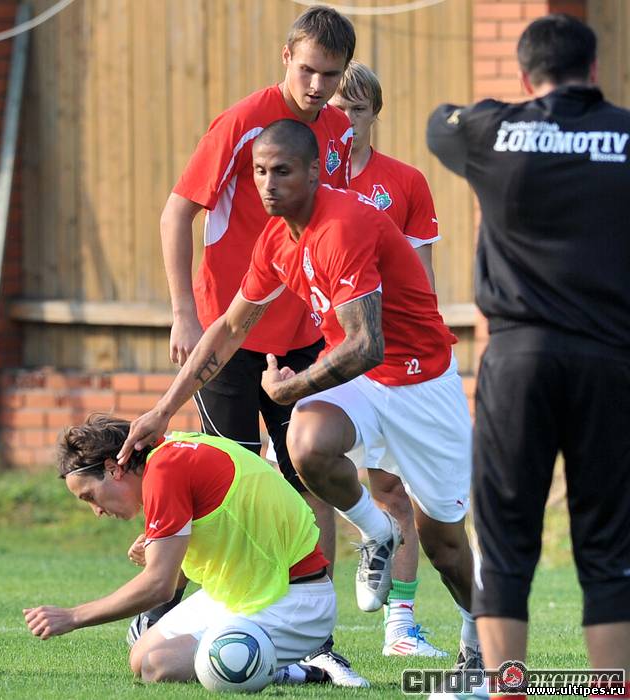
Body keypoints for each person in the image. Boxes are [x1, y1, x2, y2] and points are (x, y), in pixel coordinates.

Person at [117, 118, 481, 670]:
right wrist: (163, 410)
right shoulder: (276, 238)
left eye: (282, 171)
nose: (268, 184)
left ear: (314, 171)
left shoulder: (343, 227)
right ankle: (377, 532)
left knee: (445, 547)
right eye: (260, 171)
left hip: (421, 386)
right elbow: (230, 327)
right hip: (365, 383)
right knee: (305, 445)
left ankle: (479, 639)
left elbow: (366, 344)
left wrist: (289, 388)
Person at [146, 6, 365, 685]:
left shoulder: (337, 131)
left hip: (303, 338)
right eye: (309, 70)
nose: (318, 86)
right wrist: (184, 314)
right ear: (286, 56)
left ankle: (317, 639)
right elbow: (177, 212)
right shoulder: (243, 122)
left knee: (310, 478)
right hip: (230, 333)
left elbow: (331, 230)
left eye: (331, 75)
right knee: (228, 486)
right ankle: (176, 611)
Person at [427, 13, 630, 699]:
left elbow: (438, 122)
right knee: (608, 550)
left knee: (508, 546)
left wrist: (514, 116)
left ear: (524, 76)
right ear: (594, 70)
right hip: (609, 363)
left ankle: (508, 690)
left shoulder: (493, 131)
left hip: (518, 361)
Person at [23, 415, 341, 688]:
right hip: (244, 593)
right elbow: (184, 567)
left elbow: (158, 586)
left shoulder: (165, 471)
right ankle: (284, 669)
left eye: (90, 496)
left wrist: (73, 617)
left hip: (293, 601)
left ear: (113, 468)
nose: (97, 511)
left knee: (159, 666)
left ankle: (276, 670)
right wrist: (163, 553)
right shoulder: (170, 453)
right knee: (140, 657)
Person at [329, 60, 445, 658]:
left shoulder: (405, 182)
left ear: (375, 113)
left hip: (388, 361)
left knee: (394, 492)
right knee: (304, 489)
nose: (347, 118)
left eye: (358, 108)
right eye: (338, 107)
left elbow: (421, 280)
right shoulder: (304, 179)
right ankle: (310, 631)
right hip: (320, 357)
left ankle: (401, 627)